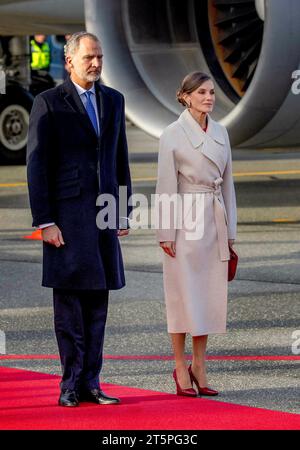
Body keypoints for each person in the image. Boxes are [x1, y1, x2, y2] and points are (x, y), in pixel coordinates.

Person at [27, 31, 132, 407]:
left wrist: (122, 209)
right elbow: (36, 166)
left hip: (103, 218)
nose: (97, 64)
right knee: (69, 308)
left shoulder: (113, 101)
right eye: (89, 57)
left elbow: (119, 159)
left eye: (100, 57)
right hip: (67, 220)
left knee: (98, 308)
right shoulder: (49, 103)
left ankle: (92, 383)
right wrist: (45, 220)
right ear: (69, 61)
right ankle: (69, 385)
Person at [156, 71, 237, 397]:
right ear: (186, 96)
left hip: (214, 220)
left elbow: (228, 184)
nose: (209, 98)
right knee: (181, 297)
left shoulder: (221, 132)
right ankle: (179, 366)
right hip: (185, 221)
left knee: (206, 297)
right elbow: (165, 186)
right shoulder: (172, 134)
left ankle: (200, 366)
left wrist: (230, 231)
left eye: (212, 92)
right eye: (202, 92)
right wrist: (166, 232)